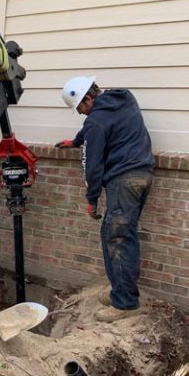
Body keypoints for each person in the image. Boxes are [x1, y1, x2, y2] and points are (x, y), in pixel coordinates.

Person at [56, 76, 154, 322]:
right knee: (116, 234)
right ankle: (121, 292)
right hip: (143, 175)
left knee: (118, 240)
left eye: (80, 107)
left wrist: (92, 199)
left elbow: (93, 167)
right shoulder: (124, 98)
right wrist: (78, 140)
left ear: (89, 98)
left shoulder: (95, 123)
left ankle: (125, 304)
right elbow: (102, 123)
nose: (80, 113)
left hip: (123, 181)